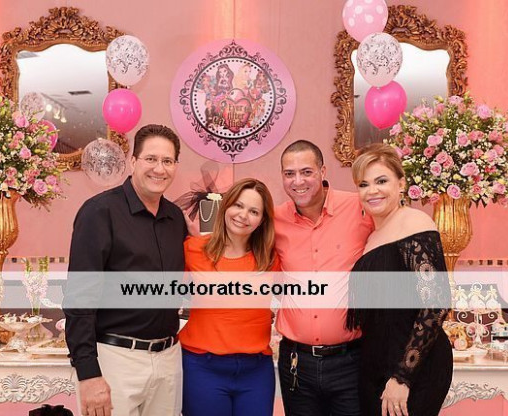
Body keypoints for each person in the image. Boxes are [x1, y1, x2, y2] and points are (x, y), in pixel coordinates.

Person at [64, 124, 188, 416]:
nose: (159, 169)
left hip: (168, 359)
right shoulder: (99, 212)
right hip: (116, 361)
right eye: (151, 159)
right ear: (133, 162)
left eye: (167, 161)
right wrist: (88, 373)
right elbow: (79, 298)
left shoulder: (175, 218)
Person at [347, 143, 452, 416]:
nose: (372, 190)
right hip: (376, 363)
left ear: (401, 183)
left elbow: (436, 305)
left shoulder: (414, 222)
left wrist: (403, 376)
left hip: (412, 368)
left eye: (381, 181)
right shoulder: (372, 237)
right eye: (364, 184)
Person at [274, 140, 374, 415]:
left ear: (322, 171)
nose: (298, 181)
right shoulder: (275, 219)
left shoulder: (359, 208)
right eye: (289, 173)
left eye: (306, 172)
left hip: (351, 360)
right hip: (296, 362)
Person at [179, 178, 280, 416]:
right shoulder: (193, 249)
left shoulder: (272, 258)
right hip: (202, 367)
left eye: (254, 211)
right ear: (226, 206)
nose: (243, 215)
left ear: (262, 220)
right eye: (238, 205)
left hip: (256, 371)